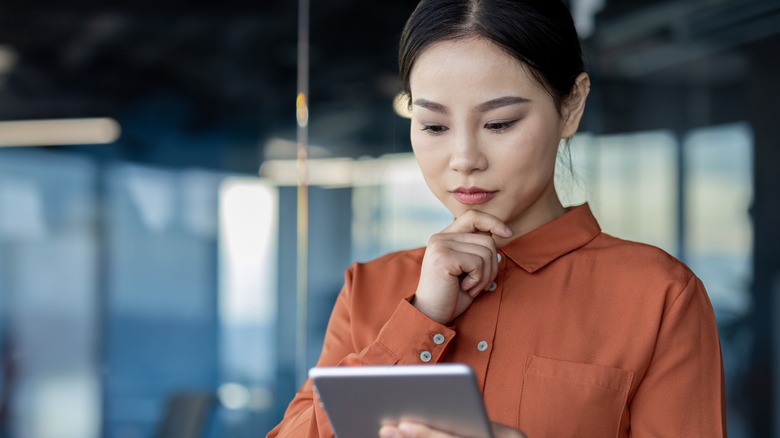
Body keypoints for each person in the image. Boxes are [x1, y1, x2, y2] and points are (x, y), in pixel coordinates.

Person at [268, 0, 727, 436]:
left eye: (500, 123)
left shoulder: (659, 297)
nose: (464, 159)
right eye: (434, 125)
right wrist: (419, 320)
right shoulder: (368, 289)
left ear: (571, 105)